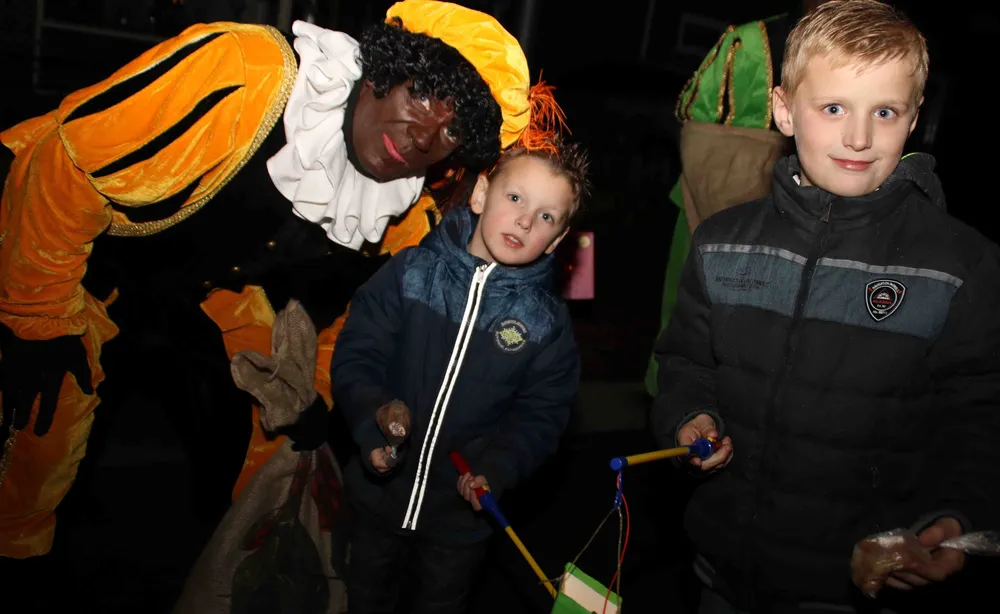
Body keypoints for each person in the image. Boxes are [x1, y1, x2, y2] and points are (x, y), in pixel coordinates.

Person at [0, 0, 538, 559]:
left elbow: (365, 319)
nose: (424, 136)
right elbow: (62, 164)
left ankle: (238, 567)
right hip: (65, 247)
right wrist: (35, 318)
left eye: (452, 129)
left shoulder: (402, 212)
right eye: (422, 94)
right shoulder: (246, 73)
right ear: (388, 65)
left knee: (279, 426)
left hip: (199, 284)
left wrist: (316, 395)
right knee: (42, 424)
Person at [651, 1, 1000, 611]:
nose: (859, 138)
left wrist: (954, 518)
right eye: (833, 108)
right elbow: (686, 363)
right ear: (785, 110)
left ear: (914, 117)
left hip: (858, 589)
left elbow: (978, 414)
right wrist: (691, 418)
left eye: (884, 112)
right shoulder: (722, 244)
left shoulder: (959, 265)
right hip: (722, 571)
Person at [331, 135, 588, 613]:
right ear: (480, 194)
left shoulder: (545, 325)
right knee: (362, 598)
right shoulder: (410, 273)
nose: (526, 220)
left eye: (546, 217)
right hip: (376, 500)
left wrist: (497, 468)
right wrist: (373, 417)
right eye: (516, 198)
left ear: (556, 241)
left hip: (459, 524)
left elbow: (543, 415)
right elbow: (357, 353)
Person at [643, 0, 834, 397]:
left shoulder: (872, 49)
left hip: (813, 228)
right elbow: (699, 133)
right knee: (693, 335)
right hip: (708, 207)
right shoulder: (748, 44)